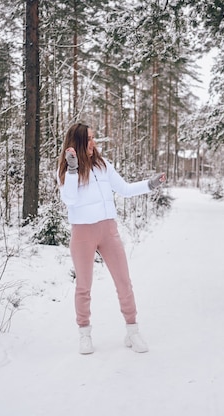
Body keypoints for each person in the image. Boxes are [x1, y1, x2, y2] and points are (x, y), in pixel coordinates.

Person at [58, 123, 165, 354]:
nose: (93, 143)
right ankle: (84, 334)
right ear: (76, 142)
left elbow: (124, 189)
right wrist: (74, 170)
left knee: (123, 281)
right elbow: (69, 200)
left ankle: (132, 331)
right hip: (83, 233)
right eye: (88, 139)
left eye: (93, 138)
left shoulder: (103, 165)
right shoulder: (68, 171)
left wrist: (150, 184)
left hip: (108, 230)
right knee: (84, 287)